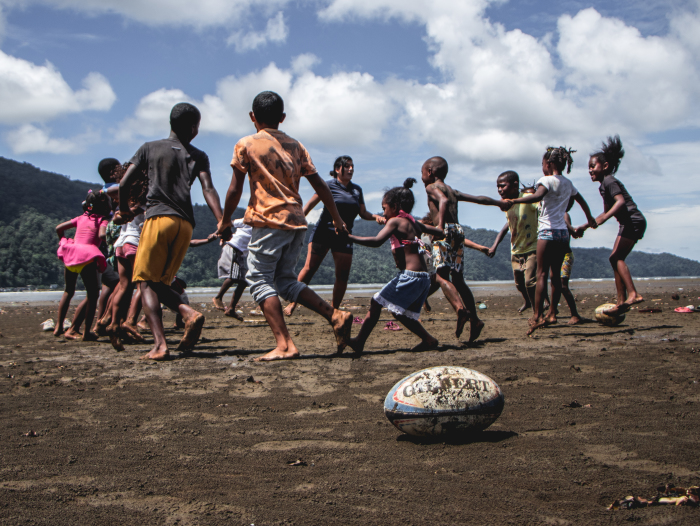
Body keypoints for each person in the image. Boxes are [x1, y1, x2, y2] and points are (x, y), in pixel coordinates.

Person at [216, 90, 353, 362]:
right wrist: (337, 219)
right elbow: (321, 186)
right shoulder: (296, 145)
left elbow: (234, 189)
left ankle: (285, 344)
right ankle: (335, 315)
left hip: (269, 221)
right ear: (282, 117)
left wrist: (225, 220)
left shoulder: (246, 144)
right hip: (297, 222)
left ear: (252, 117)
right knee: (285, 281)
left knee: (258, 279)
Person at [116, 102, 225, 360]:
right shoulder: (198, 155)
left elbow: (123, 184)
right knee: (159, 283)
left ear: (170, 122)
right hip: (185, 225)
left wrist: (124, 210)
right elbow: (208, 189)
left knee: (144, 282)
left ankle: (164, 341)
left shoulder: (149, 148)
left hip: (158, 219)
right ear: (195, 128)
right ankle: (183, 317)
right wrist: (221, 220)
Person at [507, 146, 597, 335]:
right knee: (555, 277)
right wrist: (590, 219)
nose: (542, 167)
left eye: (542, 164)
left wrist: (514, 201)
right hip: (563, 235)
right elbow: (581, 201)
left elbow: (538, 196)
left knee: (541, 275)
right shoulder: (568, 183)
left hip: (547, 233)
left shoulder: (545, 180)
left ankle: (538, 316)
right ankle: (553, 313)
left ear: (548, 164)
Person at [347, 179, 445, 353]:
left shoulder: (396, 222)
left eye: (384, 209)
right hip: (424, 277)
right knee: (399, 313)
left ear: (394, 206)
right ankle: (428, 339)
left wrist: (350, 237)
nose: (384, 214)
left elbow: (377, 241)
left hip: (411, 276)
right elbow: (440, 232)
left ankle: (359, 341)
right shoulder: (413, 222)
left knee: (376, 302)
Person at [283, 156, 383, 316]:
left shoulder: (357, 190)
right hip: (323, 233)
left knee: (342, 275)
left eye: (352, 166)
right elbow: (309, 205)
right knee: (309, 269)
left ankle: (334, 310)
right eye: (347, 166)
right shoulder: (327, 185)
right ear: (337, 169)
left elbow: (363, 212)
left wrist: (376, 217)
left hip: (344, 236)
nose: (351, 169)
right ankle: (293, 303)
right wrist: (297, 222)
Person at [422, 156, 508, 342]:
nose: (422, 178)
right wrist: (498, 203)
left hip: (444, 232)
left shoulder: (431, 188)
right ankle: (475, 320)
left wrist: (440, 227)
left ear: (429, 172)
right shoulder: (453, 190)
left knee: (441, 276)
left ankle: (460, 309)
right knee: (458, 280)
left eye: (422, 173)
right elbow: (479, 199)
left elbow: (442, 201)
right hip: (458, 232)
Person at [575, 135, 646, 315]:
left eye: (593, 166)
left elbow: (620, 202)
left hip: (633, 220)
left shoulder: (609, 181)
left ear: (605, 166)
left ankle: (633, 294)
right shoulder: (603, 186)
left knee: (616, 258)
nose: (590, 170)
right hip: (627, 222)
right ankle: (621, 302)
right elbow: (604, 213)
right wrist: (585, 226)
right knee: (614, 259)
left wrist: (605, 219)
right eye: (589, 167)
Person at [54, 190, 111, 341]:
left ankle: (59, 326)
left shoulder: (80, 218)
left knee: (68, 291)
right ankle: (86, 332)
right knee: (92, 295)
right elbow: (101, 235)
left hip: (71, 255)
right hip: (87, 257)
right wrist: (112, 242)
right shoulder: (102, 220)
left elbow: (59, 228)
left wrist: (63, 241)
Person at [488, 171, 540, 313]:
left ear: (515, 185)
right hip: (516, 249)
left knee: (530, 282)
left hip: (533, 247)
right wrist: (494, 246)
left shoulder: (529, 199)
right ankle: (528, 302)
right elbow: (507, 227)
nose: (499, 190)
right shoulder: (507, 205)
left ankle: (537, 312)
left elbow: (543, 210)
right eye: (498, 187)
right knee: (519, 284)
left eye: (503, 186)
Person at [213, 218, 252, 320]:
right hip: (234, 248)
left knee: (243, 282)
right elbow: (226, 223)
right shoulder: (246, 221)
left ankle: (231, 309)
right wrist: (220, 235)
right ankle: (218, 297)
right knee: (233, 276)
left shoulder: (261, 229)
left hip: (241, 254)